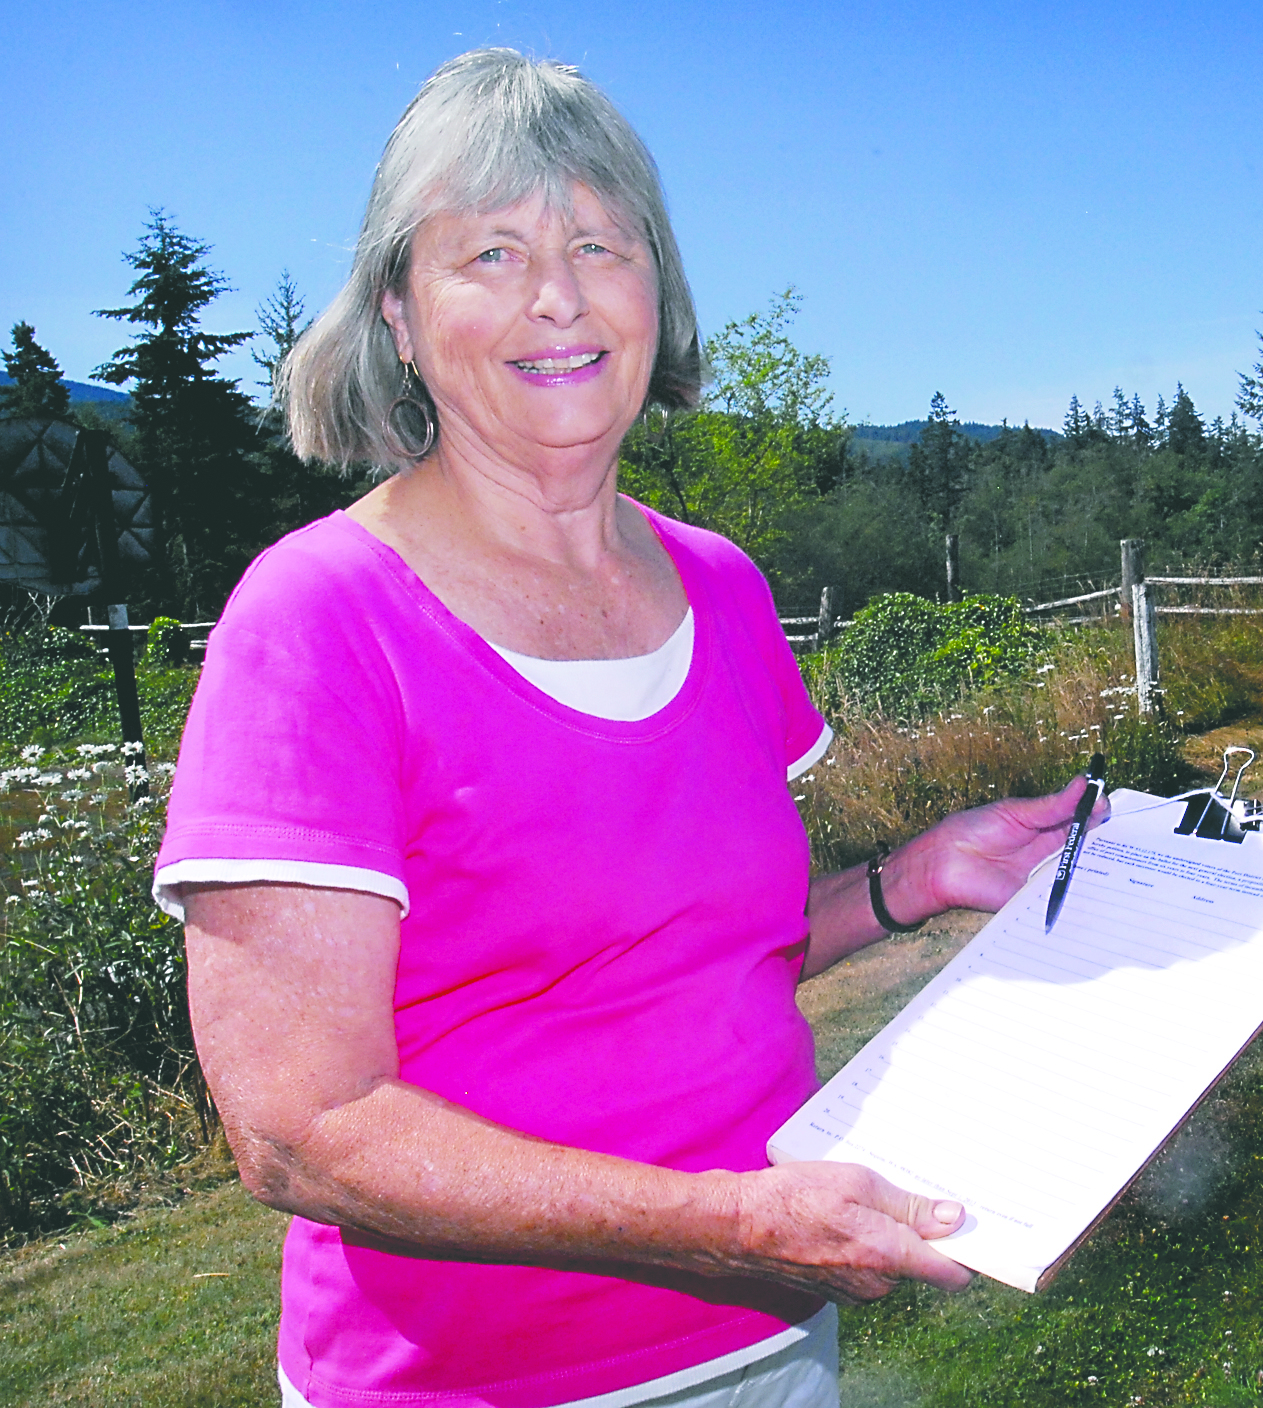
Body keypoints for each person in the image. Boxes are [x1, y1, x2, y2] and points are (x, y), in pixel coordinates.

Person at [155, 48, 1103, 1408]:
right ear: (400, 317)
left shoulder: (720, 585)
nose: (559, 294)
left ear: (657, 292)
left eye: (601, 241)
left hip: (771, 1345)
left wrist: (914, 882)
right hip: (473, 1382)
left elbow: (698, 952)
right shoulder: (316, 620)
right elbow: (303, 1132)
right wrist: (726, 1224)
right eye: (490, 251)